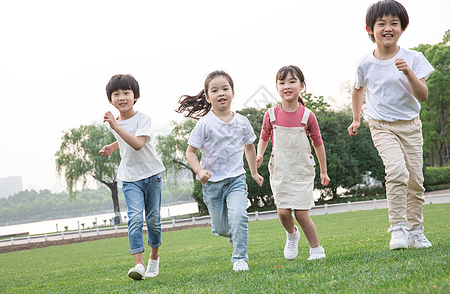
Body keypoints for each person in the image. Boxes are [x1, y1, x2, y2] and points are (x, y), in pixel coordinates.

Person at [347, 0, 434, 250]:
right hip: (381, 125)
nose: (388, 28)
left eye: (394, 23)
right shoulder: (365, 62)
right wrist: (356, 118)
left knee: (415, 180)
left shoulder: (414, 58)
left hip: (410, 126)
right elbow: (357, 89)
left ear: (402, 28)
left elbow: (423, 95)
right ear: (369, 29)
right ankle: (398, 228)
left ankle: (416, 230)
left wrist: (408, 72)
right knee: (396, 171)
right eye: (381, 23)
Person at [177, 70, 264, 272]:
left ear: (233, 92)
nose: (221, 93)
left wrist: (253, 172)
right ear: (208, 97)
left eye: (225, 88)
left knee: (239, 217)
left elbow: (249, 147)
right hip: (212, 184)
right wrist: (199, 171)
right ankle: (233, 236)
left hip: (236, 179)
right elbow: (190, 152)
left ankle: (240, 259)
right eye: (214, 90)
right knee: (221, 228)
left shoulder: (242, 121)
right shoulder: (204, 124)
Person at [256, 65, 330, 261]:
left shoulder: (308, 116)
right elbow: (264, 137)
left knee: (301, 213)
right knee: (282, 212)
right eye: (282, 82)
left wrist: (324, 171)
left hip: (301, 169)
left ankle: (316, 249)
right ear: (277, 87)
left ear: (302, 86)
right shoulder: (271, 114)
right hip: (280, 169)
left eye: (292, 81)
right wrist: (259, 154)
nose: (286, 86)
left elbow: (318, 144)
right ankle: (291, 234)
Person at [99, 74, 165, 280]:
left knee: (153, 220)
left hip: (151, 175)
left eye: (126, 93)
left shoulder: (143, 119)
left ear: (135, 96)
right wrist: (113, 145)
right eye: (116, 94)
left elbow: (137, 143)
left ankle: (154, 258)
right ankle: (139, 265)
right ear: (110, 99)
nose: (122, 97)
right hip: (130, 178)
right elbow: (124, 138)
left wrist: (116, 129)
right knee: (135, 218)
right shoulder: (117, 123)